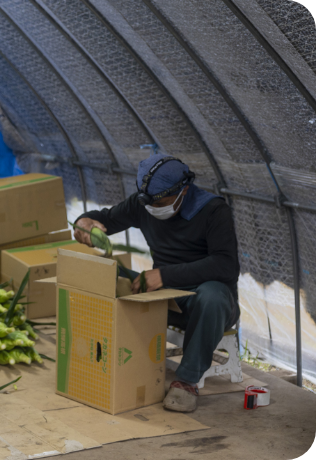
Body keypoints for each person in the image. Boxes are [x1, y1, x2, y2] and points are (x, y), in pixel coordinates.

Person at [74, 153, 239, 413]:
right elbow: (105, 218)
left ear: (184, 190)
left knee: (213, 294)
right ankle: (105, 360)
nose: (154, 207)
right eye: (149, 203)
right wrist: (84, 222)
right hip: (164, 296)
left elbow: (225, 266)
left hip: (209, 302)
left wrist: (164, 275)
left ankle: (186, 381)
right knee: (111, 273)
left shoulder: (213, 210)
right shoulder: (143, 205)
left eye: (162, 201)